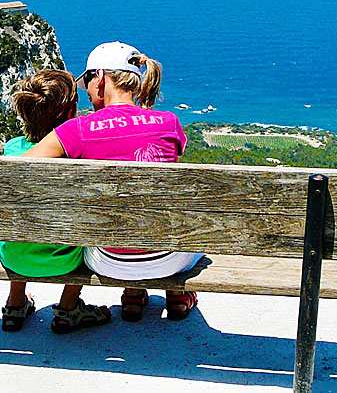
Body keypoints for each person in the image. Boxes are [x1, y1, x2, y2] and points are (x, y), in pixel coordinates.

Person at [24, 41, 203, 321]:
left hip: (110, 260)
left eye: (86, 83)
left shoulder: (76, 130)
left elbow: (20, 168)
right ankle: (177, 296)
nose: (86, 94)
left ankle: (133, 294)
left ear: (100, 77)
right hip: (169, 258)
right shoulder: (169, 122)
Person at [0, 69, 111, 333]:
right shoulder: (79, 157)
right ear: (71, 113)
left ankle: (15, 304)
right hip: (65, 261)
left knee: (19, 226)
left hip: (14, 258)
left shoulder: (12, 150)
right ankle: (68, 308)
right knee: (90, 231)